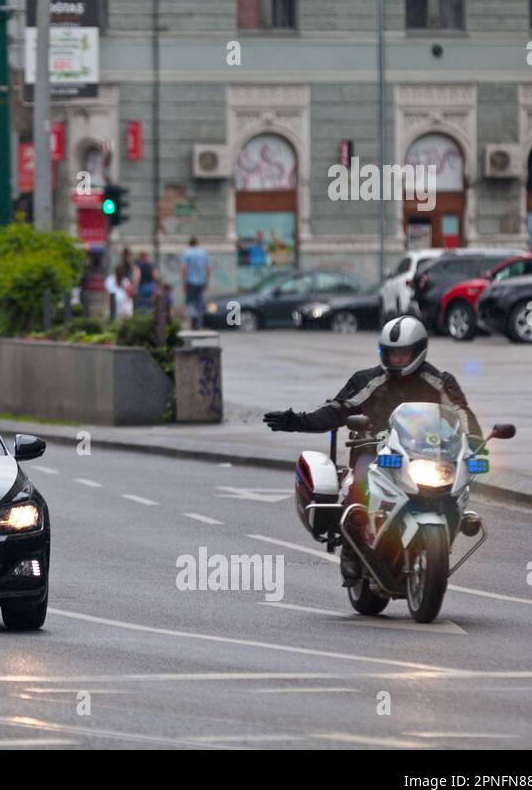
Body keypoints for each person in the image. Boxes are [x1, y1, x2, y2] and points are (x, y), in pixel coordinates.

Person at [263, 316, 483, 585]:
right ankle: (353, 552)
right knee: (360, 486)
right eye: (391, 353)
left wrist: (474, 443)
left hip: (423, 454)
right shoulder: (368, 380)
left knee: (456, 485)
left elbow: (461, 412)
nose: (397, 359)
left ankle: (442, 534)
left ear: (419, 351)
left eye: (403, 354)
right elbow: (337, 410)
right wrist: (297, 421)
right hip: (375, 452)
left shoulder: (439, 381)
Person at [180, 236, 211, 329]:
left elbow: (183, 269)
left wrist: (183, 282)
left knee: (189, 303)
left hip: (190, 281)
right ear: (197, 243)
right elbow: (208, 269)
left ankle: (192, 322)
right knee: (199, 303)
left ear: (189, 243)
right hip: (201, 282)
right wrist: (207, 281)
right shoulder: (203, 253)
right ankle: (198, 324)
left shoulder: (186, 253)